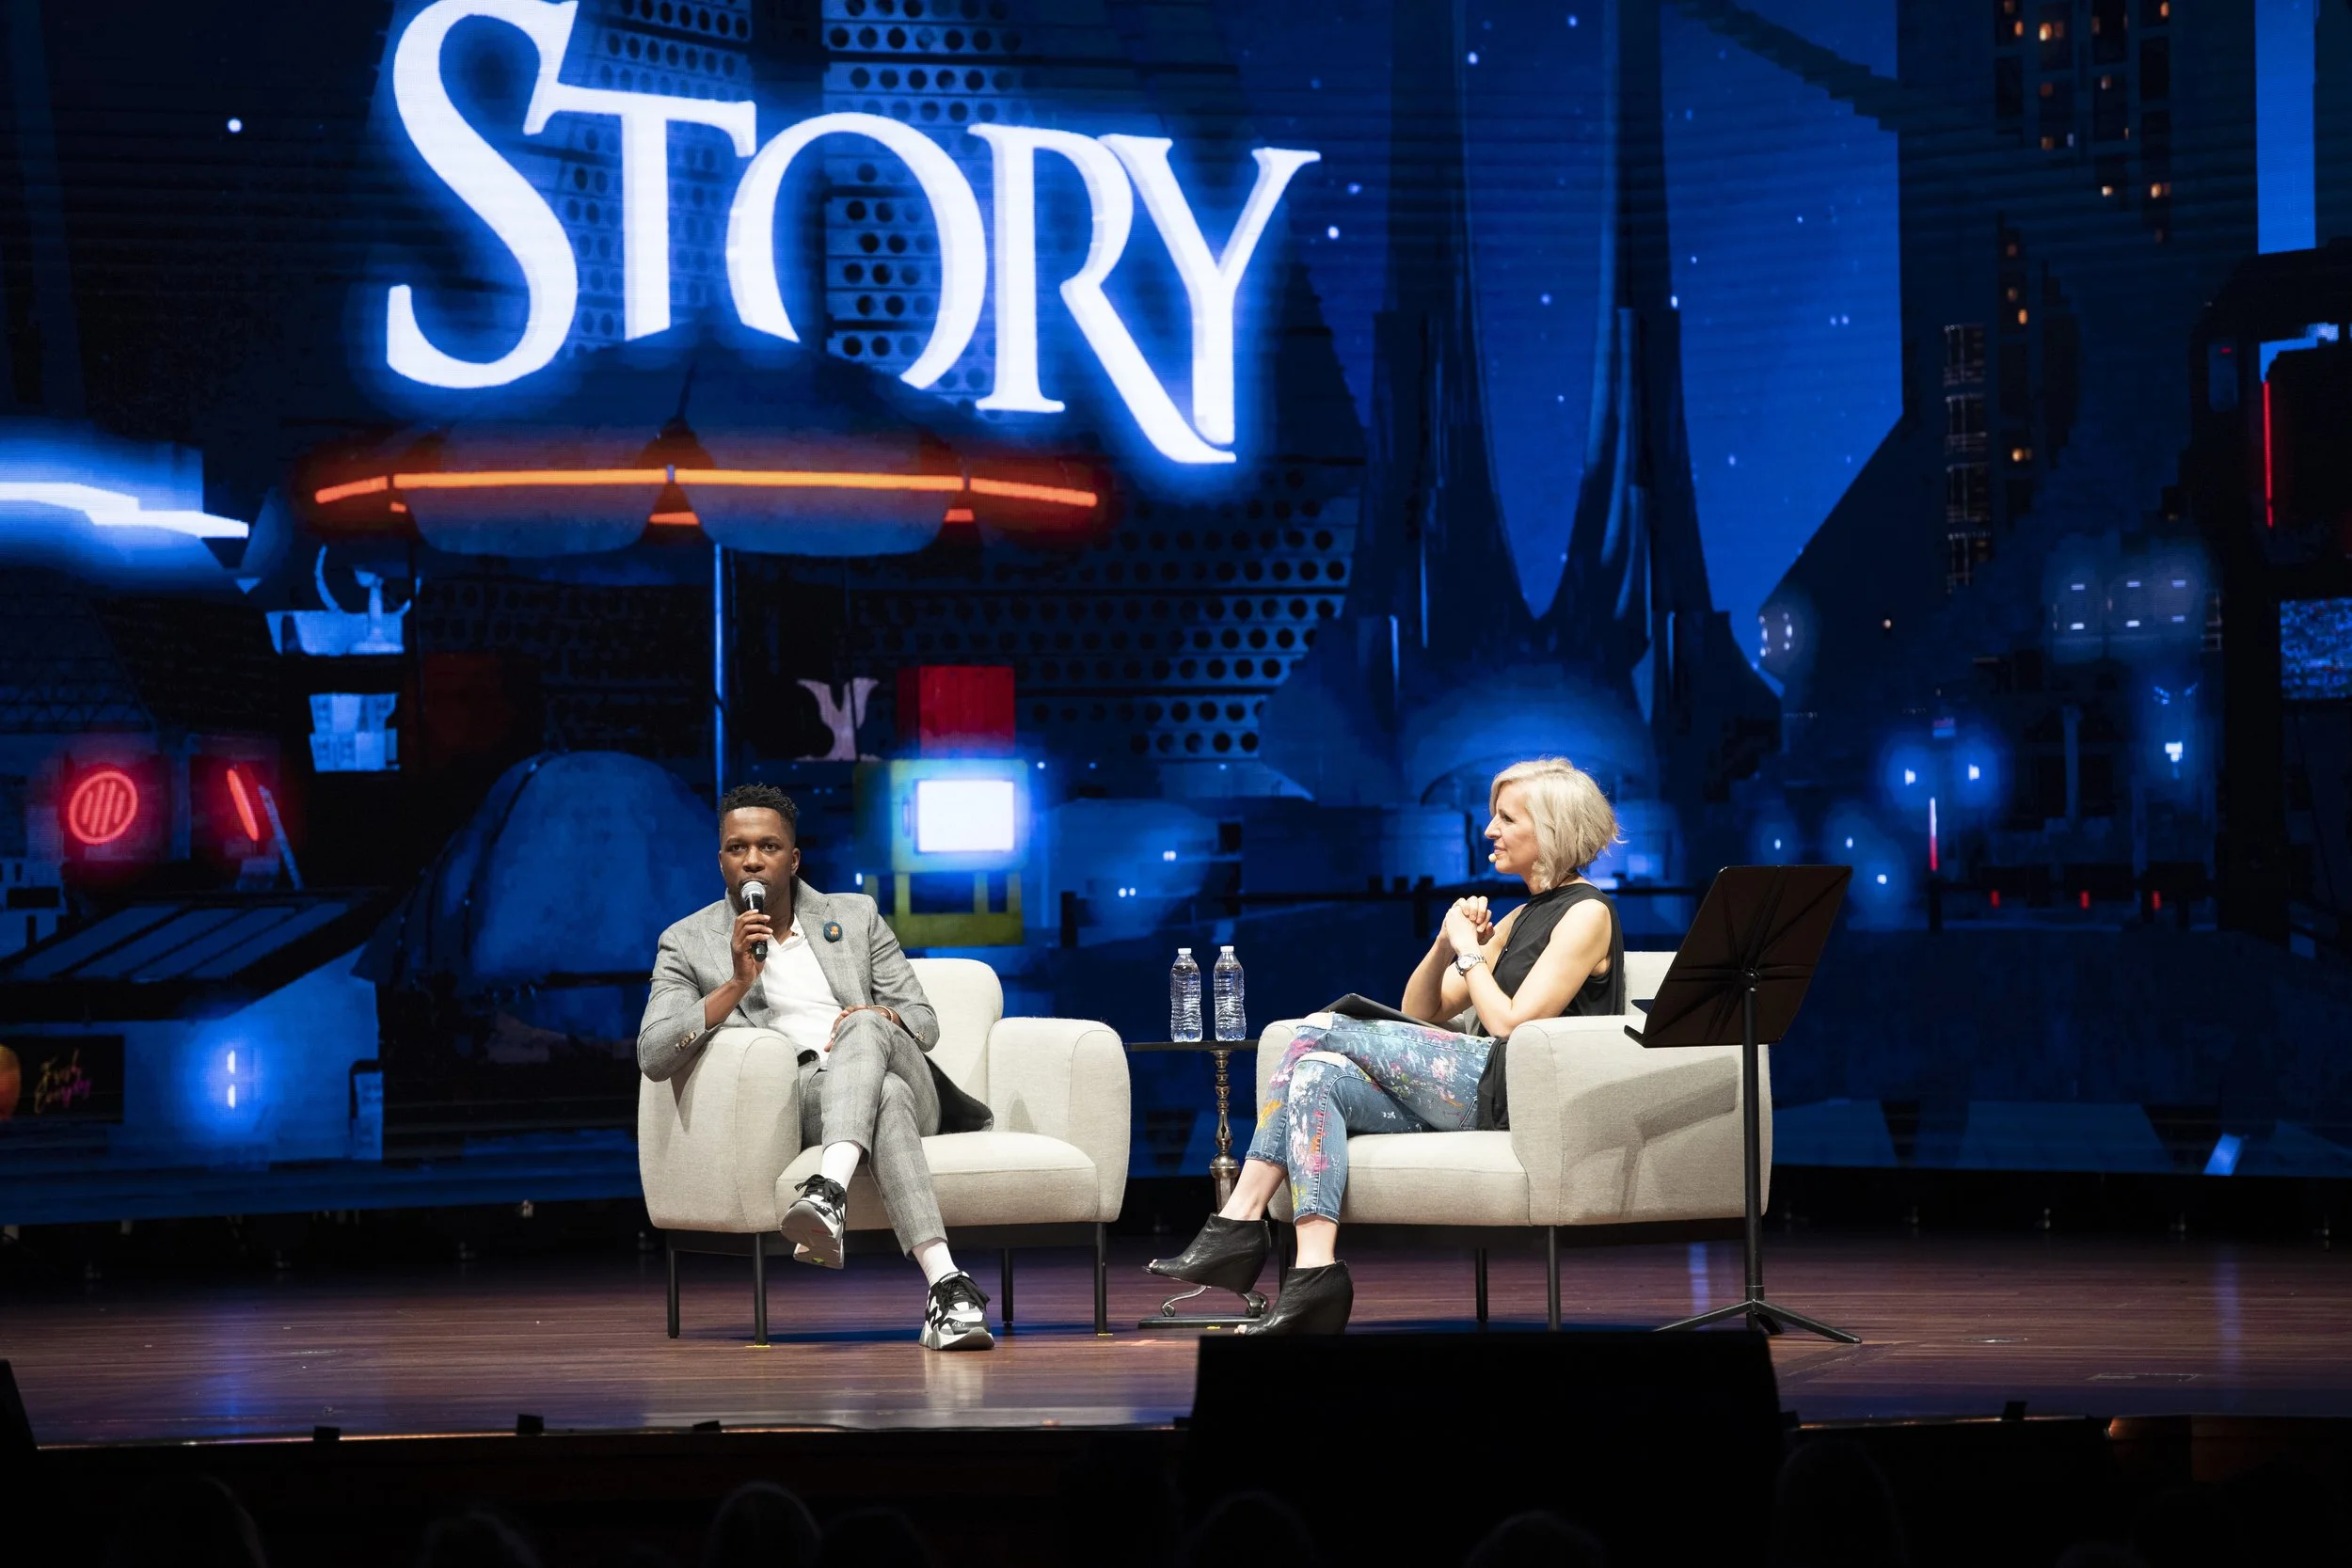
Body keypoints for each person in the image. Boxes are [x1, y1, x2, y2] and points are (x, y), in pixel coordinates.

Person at [1147, 757, 1626, 1334]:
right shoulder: (1522, 914)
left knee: (1320, 1028)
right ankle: (1315, 1277)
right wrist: (1446, 943)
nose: (1489, 831)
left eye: (1505, 819)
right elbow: (1421, 1009)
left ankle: (1237, 1223)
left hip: (1517, 1091)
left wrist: (1469, 953)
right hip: (1477, 1084)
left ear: (1550, 831)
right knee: (1316, 1072)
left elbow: (1511, 1023)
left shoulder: (1587, 913)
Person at [639, 784, 995, 1351]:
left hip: (897, 1065)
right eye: (737, 848)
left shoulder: (855, 916)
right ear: (721, 860)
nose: (752, 860)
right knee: (887, 1098)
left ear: (794, 857)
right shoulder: (686, 943)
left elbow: (924, 1021)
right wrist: (735, 984)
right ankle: (947, 1287)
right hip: (809, 1100)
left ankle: (828, 1189)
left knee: (866, 1025)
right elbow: (654, 1053)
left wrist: (876, 1018)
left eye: (768, 847)